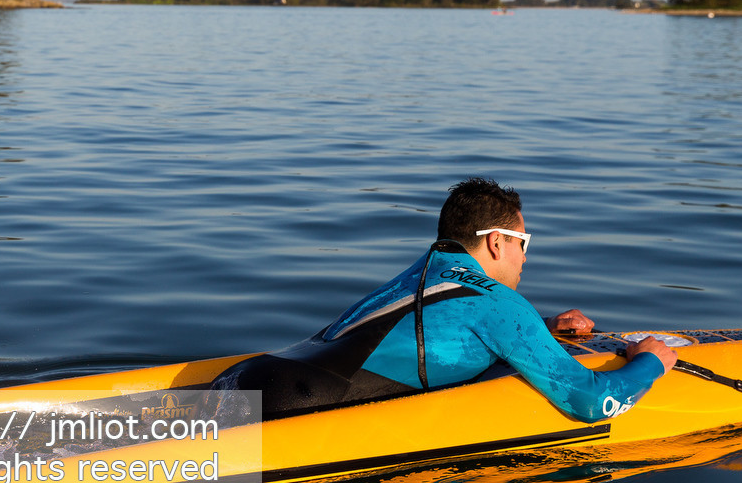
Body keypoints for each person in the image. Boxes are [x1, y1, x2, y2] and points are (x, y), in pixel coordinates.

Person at [213, 178, 678, 419]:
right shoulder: (500, 304)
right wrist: (651, 361)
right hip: (296, 406)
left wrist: (544, 326)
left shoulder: (425, 268)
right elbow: (591, 402)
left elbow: (447, 321)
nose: (524, 257)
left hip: (253, 374)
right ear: (496, 242)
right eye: (522, 241)